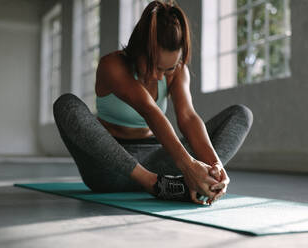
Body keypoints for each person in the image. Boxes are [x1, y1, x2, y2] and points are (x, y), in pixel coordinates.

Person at [53, 0, 253, 205]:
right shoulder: (112, 65)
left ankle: (189, 184)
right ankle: (154, 184)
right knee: (66, 104)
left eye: (168, 69)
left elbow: (188, 117)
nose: (159, 77)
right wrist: (188, 165)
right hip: (111, 168)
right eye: (155, 66)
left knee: (240, 114)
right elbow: (149, 110)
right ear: (138, 49)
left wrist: (215, 165)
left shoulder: (178, 71)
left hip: (161, 163)